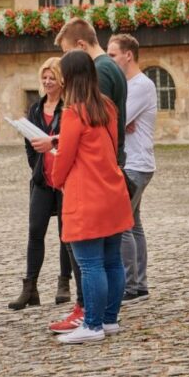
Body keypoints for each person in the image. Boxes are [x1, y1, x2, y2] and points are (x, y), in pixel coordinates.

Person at [39, 17, 127, 334]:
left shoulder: (74, 112)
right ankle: (110, 319)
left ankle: (92, 324)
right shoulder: (106, 107)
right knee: (112, 260)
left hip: (86, 194)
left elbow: (66, 159)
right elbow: (111, 144)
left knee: (90, 264)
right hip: (112, 190)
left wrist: (56, 177)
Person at [9, 57, 73, 310]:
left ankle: (64, 283)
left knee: (66, 234)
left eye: (52, 77)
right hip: (42, 179)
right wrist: (36, 166)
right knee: (35, 231)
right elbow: (29, 143)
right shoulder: (36, 109)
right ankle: (30, 287)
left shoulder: (68, 108)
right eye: (44, 77)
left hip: (65, 180)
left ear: (62, 81)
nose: (47, 82)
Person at [107, 34, 157, 305]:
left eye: (113, 55)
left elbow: (116, 119)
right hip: (135, 162)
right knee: (134, 225)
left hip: (136, 164)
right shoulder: (127, 85)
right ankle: (139, 285)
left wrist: (118, 121)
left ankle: (129, 286)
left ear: (128, 55)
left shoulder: (141, 85)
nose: (109, 59)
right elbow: (119, 120)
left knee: (122, 225)